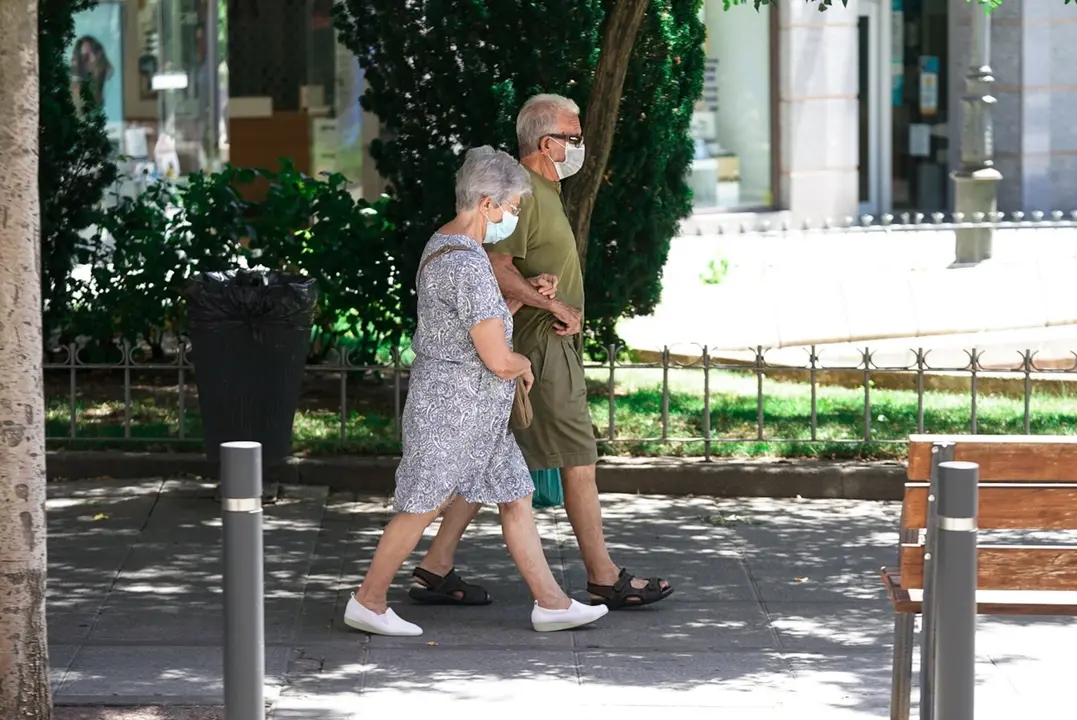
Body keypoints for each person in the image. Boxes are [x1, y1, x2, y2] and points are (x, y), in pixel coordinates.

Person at [406, 94, 674, 610]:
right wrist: (546, 303)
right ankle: (603, 576)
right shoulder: (523, 193)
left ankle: (435, 565)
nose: (580, 147)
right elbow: (495, 264)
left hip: (538, 345)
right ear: (547, 143)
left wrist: (538, 292)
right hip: (540, 347)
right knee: (578, 458)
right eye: (573, 138)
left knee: (494, 457)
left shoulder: (544, 192)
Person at [343, 146, 609, 636]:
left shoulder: (445, 245)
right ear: (487, 203)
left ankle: (551, 603)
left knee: (516, 496)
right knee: (421, 504)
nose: (512, 217)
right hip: (455, 410)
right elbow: (496, 357)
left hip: (470, 411)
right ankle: (368, 600)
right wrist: (524, 363)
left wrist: (515, 297)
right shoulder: (467, 264)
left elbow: (476, 325)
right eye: (510, 208)